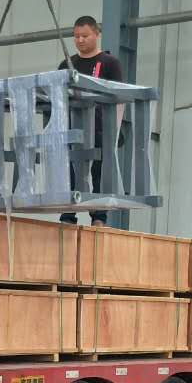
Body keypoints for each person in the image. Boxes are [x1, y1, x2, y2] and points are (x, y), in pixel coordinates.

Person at [58, 16, 123, 227]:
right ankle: (68, 215)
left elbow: (120, 97)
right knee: (70, 171)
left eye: (85, 35)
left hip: (101, 128)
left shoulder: (109, 63)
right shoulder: (67, 65)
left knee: (98, 173)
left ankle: (99, 217)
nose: (80, 40)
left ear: (97, 34)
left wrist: (115, 130)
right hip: (72, 128)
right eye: (76, 36)